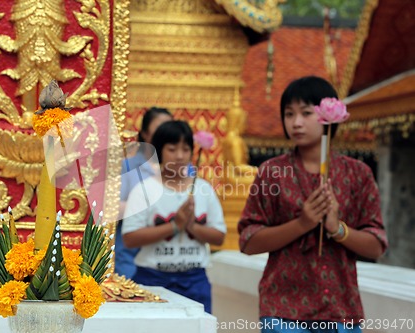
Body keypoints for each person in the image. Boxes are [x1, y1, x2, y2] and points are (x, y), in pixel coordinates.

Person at [238, 76, 387, 332]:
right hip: (282, 308)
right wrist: (302, 223)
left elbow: (376, 246)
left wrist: (337, 229)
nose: (296, 122)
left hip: (341, 308)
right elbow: (248, 241)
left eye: (306, 113)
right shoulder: (272, 172)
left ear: (328, 118)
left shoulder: (357, 174)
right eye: (289, 114)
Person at [122, 120, 226, 313]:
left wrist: (192, 226)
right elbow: (129, 238)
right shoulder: (144, 189)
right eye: (172, 149)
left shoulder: (203, 189)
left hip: (195, 280)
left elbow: (219, 237)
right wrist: (174, 226)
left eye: (185, 150)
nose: (179, 156)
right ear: (159, 151)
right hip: (152, 279)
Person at [115, 107, 173, 279]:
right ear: (145, 134)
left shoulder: (184, 169)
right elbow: (112, 208)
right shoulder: (127, 166)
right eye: (160, 127)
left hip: (168, 255)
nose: (166, 133)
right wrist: (148, 205)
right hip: (130, 255)